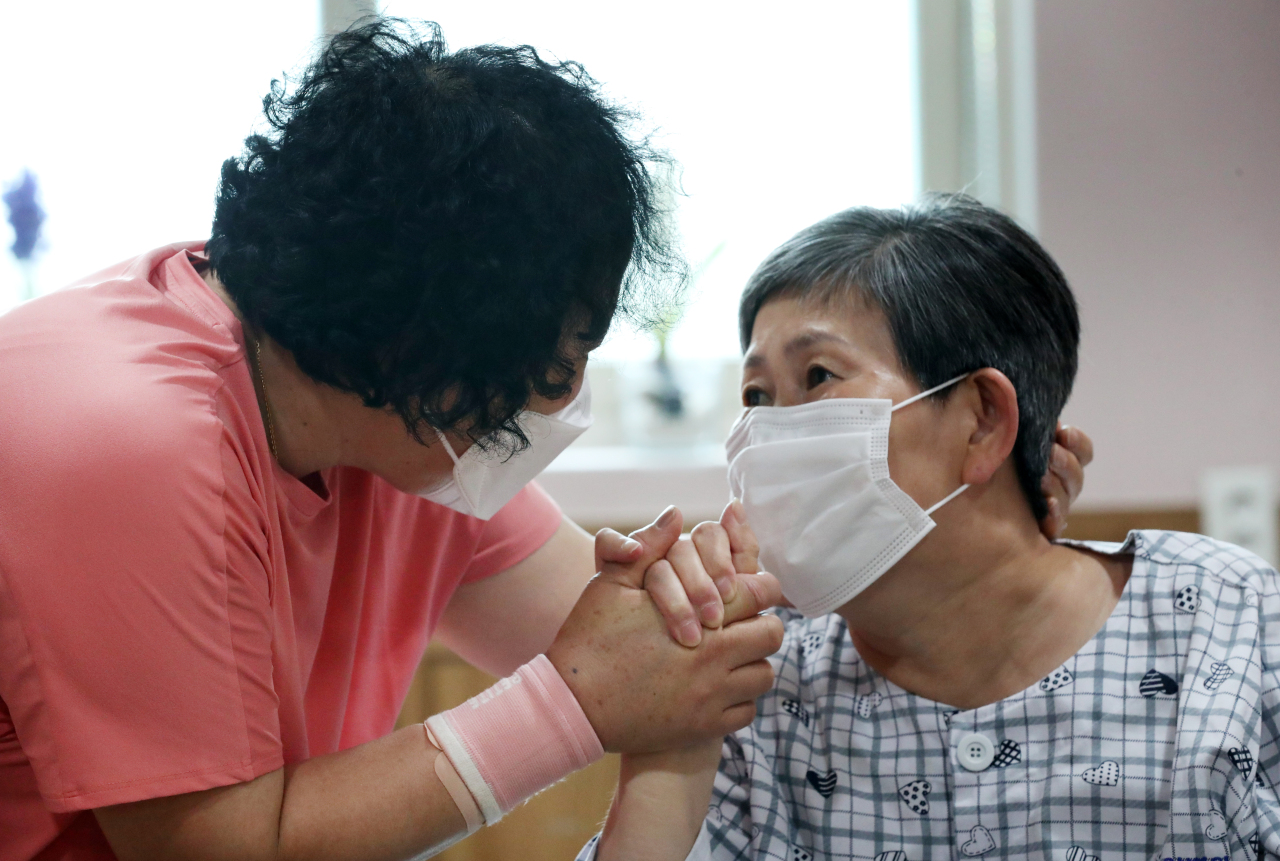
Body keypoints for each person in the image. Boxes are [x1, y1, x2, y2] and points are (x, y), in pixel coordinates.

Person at [0, 19, 1088, 861]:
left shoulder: (394, 433)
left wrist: (969, 532)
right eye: (564, 357)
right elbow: (216, 849)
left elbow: (672, 645)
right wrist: (569, 709)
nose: (566, 398)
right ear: (436, 352)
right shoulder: (119, 437)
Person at [579, 194, 1280, 861]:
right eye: (756, 396)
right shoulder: (752, 681)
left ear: (981, 420)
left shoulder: (1233, 629)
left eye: (818, 375)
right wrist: (676, 723)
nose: (767, 434)